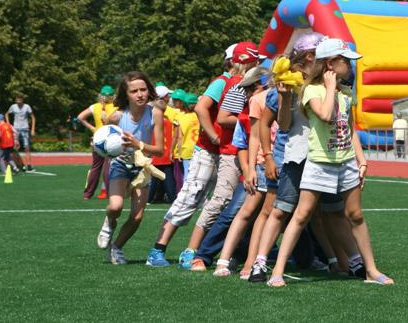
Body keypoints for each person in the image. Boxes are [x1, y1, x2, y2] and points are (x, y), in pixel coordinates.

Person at [267, 38, 393, 287]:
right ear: (330, 64)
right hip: (320, 163)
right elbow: (325, 116)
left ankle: (371, 270)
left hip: (346, 163)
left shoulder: (346, 93)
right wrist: (329, 87)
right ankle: (277, 273)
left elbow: (350, 129)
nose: (349, 65)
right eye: (344, 61)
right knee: (301, 215)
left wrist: (362, 160)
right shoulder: (312, 91)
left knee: (355, 215)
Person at [145, 42, 258, 268]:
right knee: (192, 196)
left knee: (221, 202)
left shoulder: (241, 82)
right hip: (210, 149)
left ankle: (211, 250)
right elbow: (202, 107)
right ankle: (160, 249)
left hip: (226, 150)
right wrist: (213, 135)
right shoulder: (223, 82)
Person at [95, 71, 164, 265]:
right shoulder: (117, 116)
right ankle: (109, 222)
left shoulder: (155, 113)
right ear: (126, 94)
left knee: (137, 216)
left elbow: (159, 150)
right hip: (120, 165)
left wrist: (138, 144)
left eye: (143, 89)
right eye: (134, 91)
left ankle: (116, 248)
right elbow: (102, 138)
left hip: (143, 168)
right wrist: (100, 144)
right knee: (115, 207)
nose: (140, 94)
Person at [77, 85, 118, 200]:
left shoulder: (94, 107)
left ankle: (87, 194)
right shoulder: (116, 107)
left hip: (97, 138)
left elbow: (80, 117)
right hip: (110, 140)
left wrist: (93, 128)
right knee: (108, 167)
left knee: (95, 167)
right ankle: (111, 194)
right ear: (112, 96)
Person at [148, 84, 177, 203]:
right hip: (165, 147)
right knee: (167, 174)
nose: (169, 97)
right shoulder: (170, 111)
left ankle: (150, 198)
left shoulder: (148, 111)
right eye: (167, 96)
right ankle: (171, 197)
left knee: (155, 175)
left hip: (154, 147)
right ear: (164, 97)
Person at [170, 91, 200, 192]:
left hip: (186, 150)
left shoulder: (181, 117)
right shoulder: (200, 116)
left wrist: (177, 152)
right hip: (199, 149)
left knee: (187, 176)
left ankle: (186, 196)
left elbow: (178, 137)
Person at [5, 93, 36, 171]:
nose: (18, 100)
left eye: (19, 99)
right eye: (17, 99)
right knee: (16, 148)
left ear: (22, 100)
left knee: (26, 147)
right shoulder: (13, 107)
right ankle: (17, 165)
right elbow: (6, 114)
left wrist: (32, 129)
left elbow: (33, 117)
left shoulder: (27, 107)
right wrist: (8, 124)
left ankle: (29, 165)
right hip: (16, 130)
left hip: (25, 129)